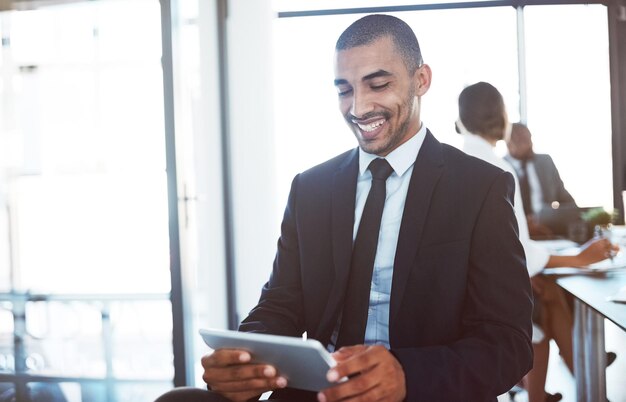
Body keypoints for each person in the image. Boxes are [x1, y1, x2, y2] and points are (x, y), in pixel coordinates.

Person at [156, 15, 534, 402]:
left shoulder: (480, 187)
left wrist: (406, 376)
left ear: (421, 80)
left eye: (379, 84)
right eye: (344, 90)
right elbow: (281, 304)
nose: (359, 107)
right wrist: (246, 358)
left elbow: (508, 342)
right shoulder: (311, 188)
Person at [455, 81, 618, 402]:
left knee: (546, 295)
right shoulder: (496, 168)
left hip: (462, 287)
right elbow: (522, 256)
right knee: (543, 302)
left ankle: (549, 393)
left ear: (462, 120)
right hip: (480, 299)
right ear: (502, 117)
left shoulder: (457, 161)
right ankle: (580, 388)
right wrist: (581, 259)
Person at [504, 123, 577, 237]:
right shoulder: (501, 167)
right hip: (517, 232)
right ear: (509, 143)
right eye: (523, 140)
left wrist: (578, 216)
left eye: (530, 138)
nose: (529, 144)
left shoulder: (545, 162)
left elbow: (564, 197)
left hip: (548, 230)